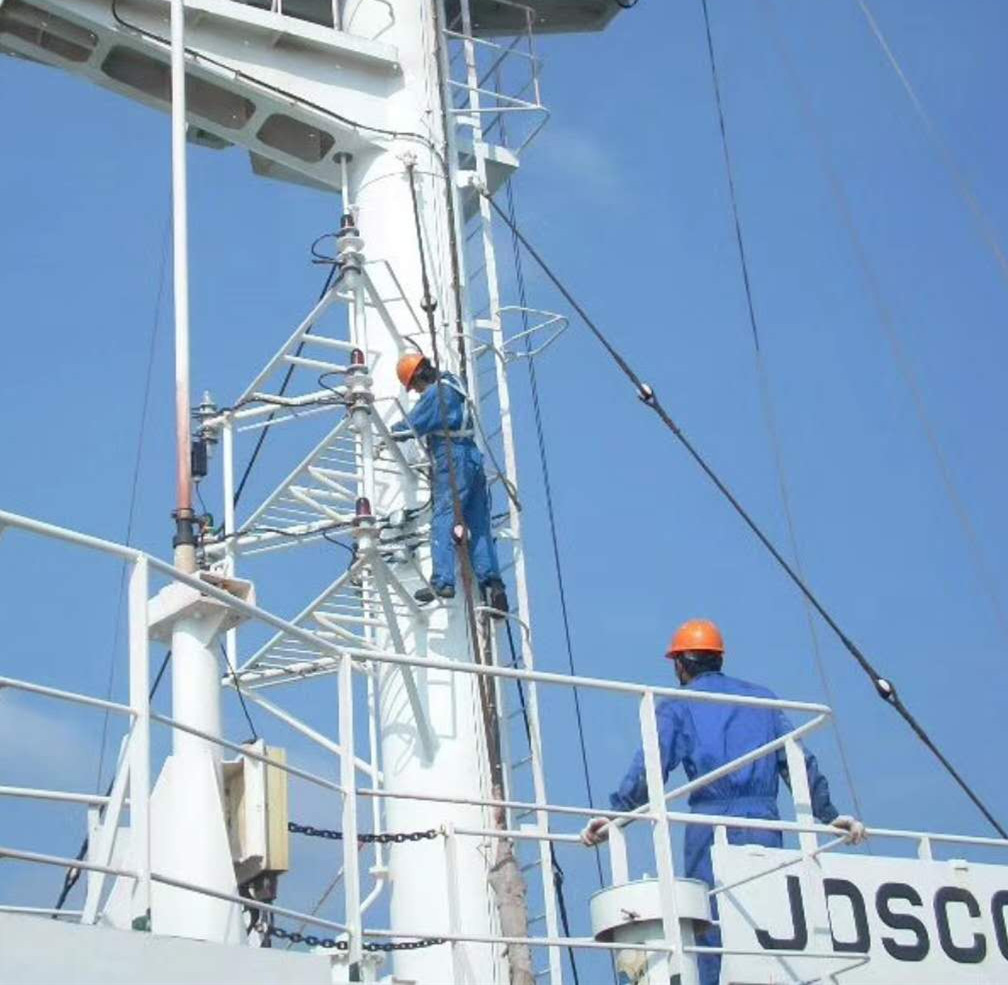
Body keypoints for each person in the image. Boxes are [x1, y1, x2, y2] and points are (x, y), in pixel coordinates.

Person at [580, 618, 866, 985]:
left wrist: (615, 818)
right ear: (718, 658)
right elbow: (798, 763)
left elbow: (650, 769)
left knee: (712, 923)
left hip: (710, 825)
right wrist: (829, 815)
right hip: (765, 824)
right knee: (766, 917)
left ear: (680, 664)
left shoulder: (679, 704)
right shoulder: (762, 699)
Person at [392, 352, 509, 612]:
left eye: (415, 386)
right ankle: (493, 584)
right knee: (478, 523)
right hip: (472, 457)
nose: (417, 392)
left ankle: (443, 581)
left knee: (444, 516)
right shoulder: (454, 382)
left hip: (452, 456)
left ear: (419, 375)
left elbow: (411, 425)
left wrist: (389, 433)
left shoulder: (436, 394)